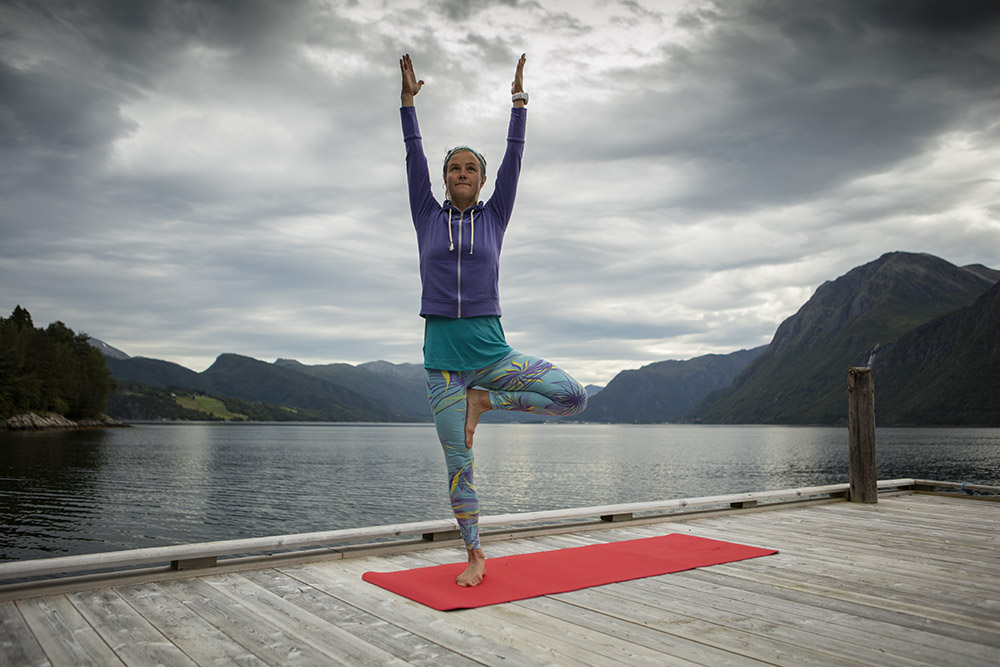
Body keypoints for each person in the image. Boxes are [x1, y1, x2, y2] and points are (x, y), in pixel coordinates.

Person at [399, 53, 588, 587]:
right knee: (460, 466)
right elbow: (412, 155)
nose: (462, 173)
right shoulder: (426, 216)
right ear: (444, 179)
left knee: (574, 397)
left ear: (482, 181)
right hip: (443, 367)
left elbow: (516, 159)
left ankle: (488, 401)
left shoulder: (496, 217)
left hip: (493, 355)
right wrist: (409, 102)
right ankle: (476, 555)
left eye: (471, 168)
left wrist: (519, 105)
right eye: (454, 167)